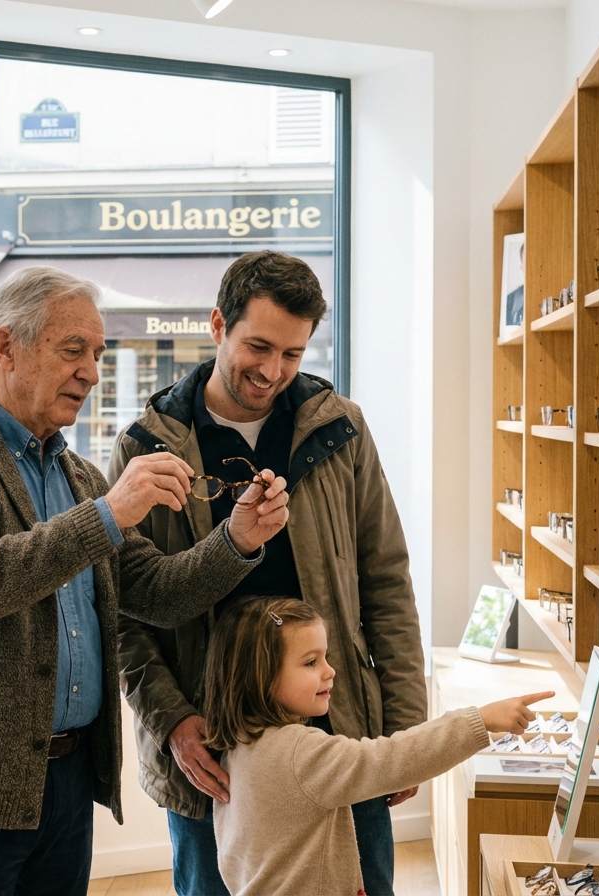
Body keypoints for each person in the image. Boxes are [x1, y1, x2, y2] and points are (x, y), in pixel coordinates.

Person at [0, 265, 292, 896]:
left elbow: (155, 592)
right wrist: (110, 514)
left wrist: (236, 541)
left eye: (98, 354)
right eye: (73, 350)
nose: (93, 373)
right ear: (4, 346)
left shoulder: (76, 475)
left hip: (67, 783)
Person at [111, 250, 426, 896]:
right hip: (213, 752)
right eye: (258, 346)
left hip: (339, 729)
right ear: (217, 324)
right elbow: (124, 611)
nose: (272, 371)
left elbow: (386, 581)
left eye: (293, 354)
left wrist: (407, 723)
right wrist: (169, 720)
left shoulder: (342, 429)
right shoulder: (145, 447)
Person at [204, 597, 552, 896]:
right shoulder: (299, 753)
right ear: (260, 676)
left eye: (325, 657)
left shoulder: (237, 748)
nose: (330, 671)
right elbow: (393, 758)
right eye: (311, 662)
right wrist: (480, 719)